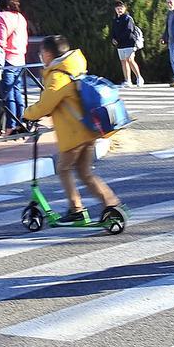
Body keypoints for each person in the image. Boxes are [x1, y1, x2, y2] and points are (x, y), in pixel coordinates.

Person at [22, 35, 123, 222]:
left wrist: (27, 114)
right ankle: (111, 204)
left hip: (74, 134)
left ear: (48, 54)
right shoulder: (74, 68)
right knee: (85, 172)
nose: (41, 56)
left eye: (42, 53)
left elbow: (45, 105)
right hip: (88, 130)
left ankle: (76, 209)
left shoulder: (57, 76)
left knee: (63, 168)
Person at [0, 0, 29, 135]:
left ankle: (10, 126)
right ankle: (21, 122)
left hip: (7, 60)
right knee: (17, 92)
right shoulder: (20, 17)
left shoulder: (1, 17)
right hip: (20, 59)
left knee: (7, 95)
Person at [110, 0, 144, 88]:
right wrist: (113, 39)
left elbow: (128, 31)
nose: (119, 10)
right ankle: (127, 80)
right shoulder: (115, 20)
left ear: (125, 8)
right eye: (117, 8)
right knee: (123, 62)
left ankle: (139, 78)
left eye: (121, 8)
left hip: (129, 43)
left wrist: (119, 38)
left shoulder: (128, 18)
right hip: (120, 45)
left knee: (130, 60)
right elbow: (113, 31)